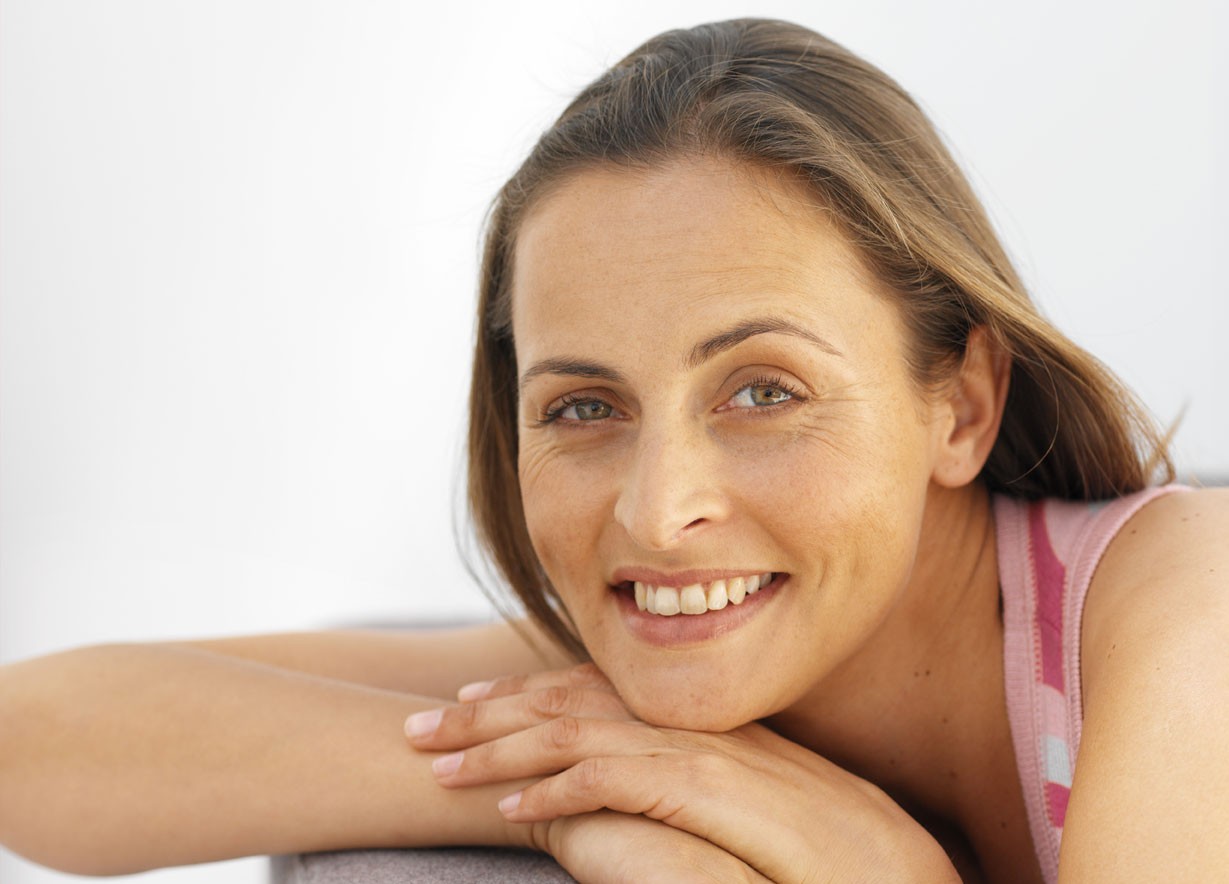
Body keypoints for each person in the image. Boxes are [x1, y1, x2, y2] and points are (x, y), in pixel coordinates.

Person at [1, 17, 1225, 884]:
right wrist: (572, 783)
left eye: (762, 390)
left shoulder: (1183, 608)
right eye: (584, 408)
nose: (655, 509)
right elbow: (35, 735)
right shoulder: (692, 661)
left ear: (958, 405)